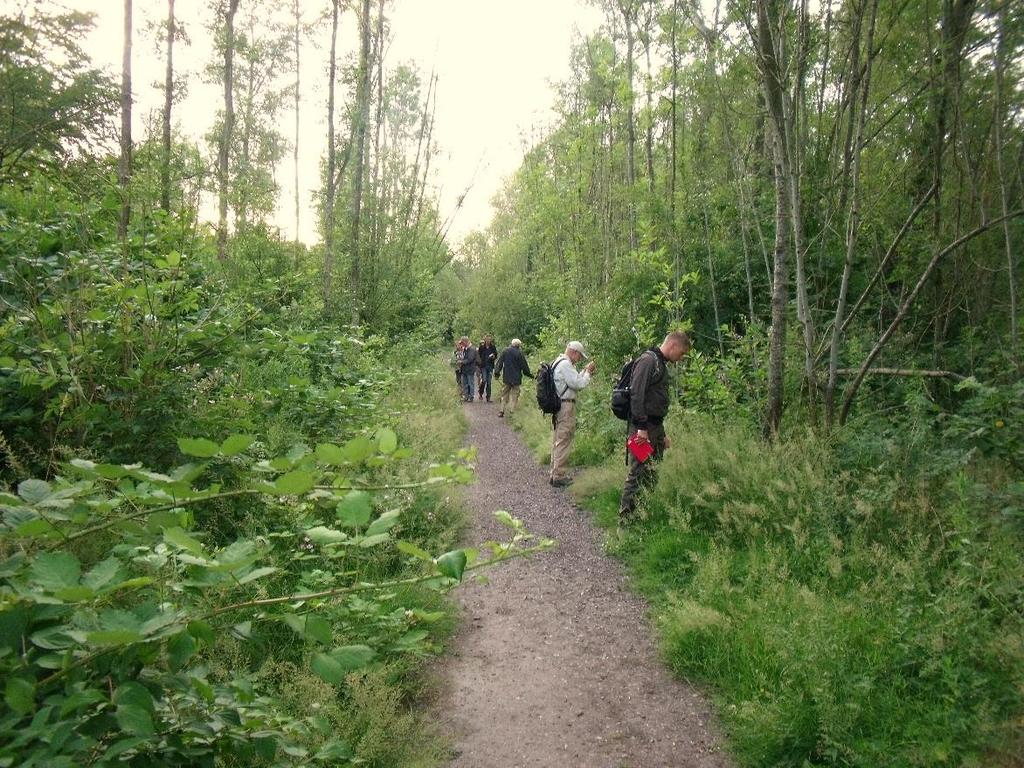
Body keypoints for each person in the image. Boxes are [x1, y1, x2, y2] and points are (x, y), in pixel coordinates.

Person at [618, 331, 691, 521]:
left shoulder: (660, 364)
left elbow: (655, 402)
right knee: (638, 472)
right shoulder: (648, 361)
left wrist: (662, 434)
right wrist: (642, 427)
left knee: (652, 471)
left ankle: (642, 514)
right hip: (642, 428)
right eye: (681, 353)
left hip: (655, 429)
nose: (680, 358)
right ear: (673, 346)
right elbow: (637, 394)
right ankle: (625, 522)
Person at [549, 340, 596, 487]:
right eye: (580, 356)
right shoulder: (566, 365)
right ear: (574, 352)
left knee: (558, 439)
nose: (580, 359)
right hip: (566, 406)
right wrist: (587, 372)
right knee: (564, 438)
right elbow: (579, 384)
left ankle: (554, 473)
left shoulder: (558, 362)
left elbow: (573, 380)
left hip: (559, 405)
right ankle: (558, 476)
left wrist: (583, 372)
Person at [494, 338, 532, 417]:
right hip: (516, 378)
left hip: (507, 377)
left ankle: (501, 411)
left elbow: (499, 363)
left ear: (512, 344)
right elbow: (524, 367)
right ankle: (512, 411)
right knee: (515, 395)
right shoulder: (520, 353)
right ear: (519, 345)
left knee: (504, 394)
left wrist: (497, 373)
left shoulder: (505, 351)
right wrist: (531, 375)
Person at [476, 334, 498, 401]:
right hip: (483, 366)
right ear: (485, 340)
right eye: (487, 339)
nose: (488, 340)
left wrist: (493, 356)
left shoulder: (493, 347)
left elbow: (496, 355)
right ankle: (480, 392)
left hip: (490, 366)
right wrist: (479, 364)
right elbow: (478, 356)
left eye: (489, 339)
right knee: (484, 380)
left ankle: (488, 397)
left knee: (489, 382)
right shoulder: (482, 347)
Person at [459, 336, 478, 403]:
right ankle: (466, 396)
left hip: (470, 369)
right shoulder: (465, 349)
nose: (461, 344)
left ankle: (471, 397)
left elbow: (470, 359)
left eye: (462, 342)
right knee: (465, 384)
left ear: (465, 342)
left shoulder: (472, 349)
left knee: (470, 383)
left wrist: (462, 362)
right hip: (464, 370)